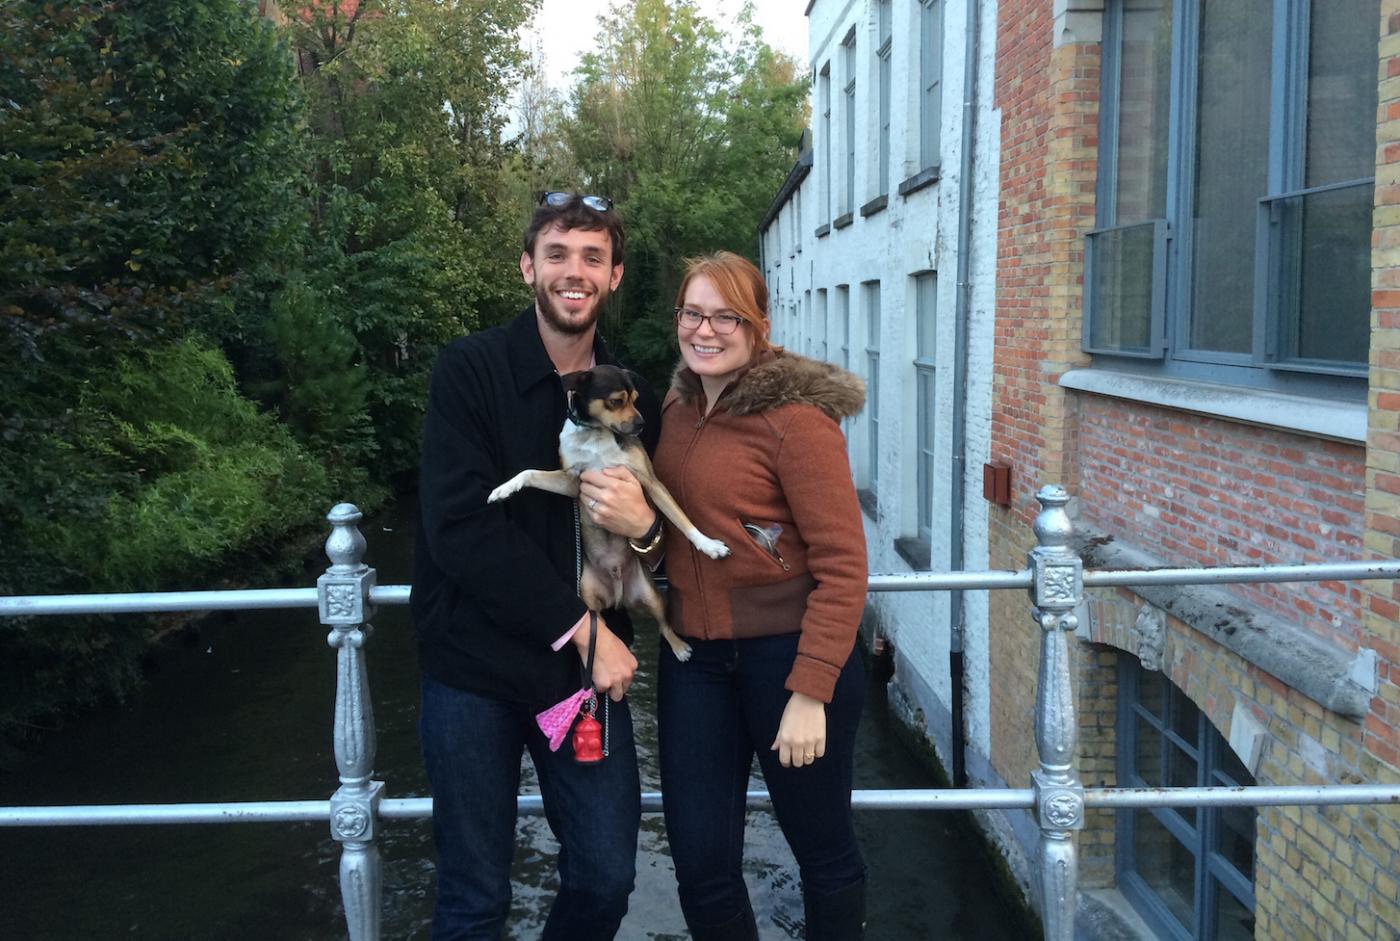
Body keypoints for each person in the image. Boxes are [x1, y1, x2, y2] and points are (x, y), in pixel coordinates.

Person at [412, 192, 661, 941]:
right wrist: (584, 631)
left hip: (581, 684)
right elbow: (461, 530)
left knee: (606, 874)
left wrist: (646, 529)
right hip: (474, 670)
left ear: (614, 275)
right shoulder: (469, 371)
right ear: (529, 267)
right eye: (557, 254)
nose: (573, 271)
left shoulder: (631, 393)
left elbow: (658, 544)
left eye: (592, 257)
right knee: (474, 894)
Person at [599, 251, 869, 939]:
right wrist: (640, 533)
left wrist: (811, 690)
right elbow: (678, 546)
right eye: (694, 313)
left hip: (790, 661)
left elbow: (843, 564)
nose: (706, 330)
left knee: (823, 851)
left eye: (727, 316)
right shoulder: (677, 408)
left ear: (759, 326)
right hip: (697, 663)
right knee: (701, 865)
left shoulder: (797, 418)